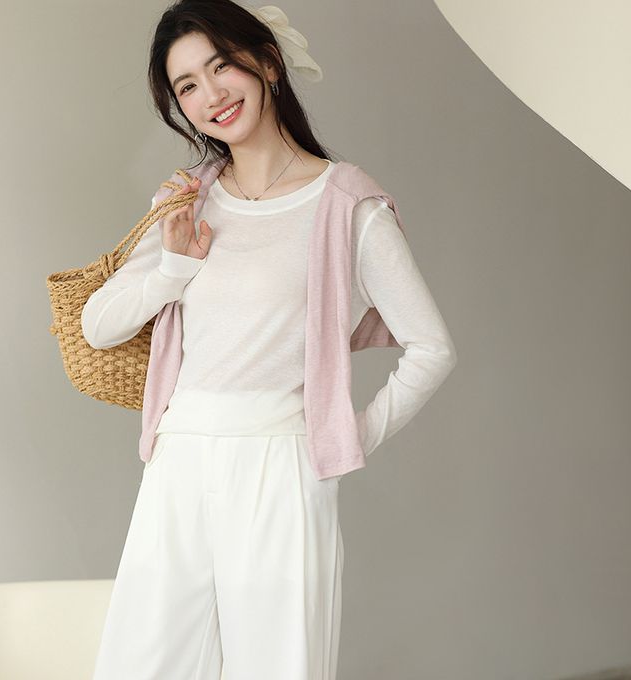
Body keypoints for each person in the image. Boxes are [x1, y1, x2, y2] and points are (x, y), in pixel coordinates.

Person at [83, 1, 457, 678]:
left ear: (268, 62)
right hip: (178, 458)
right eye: (187, 85)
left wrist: (342, 435)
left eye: (221, 66)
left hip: (280, 465)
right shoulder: (187, 201)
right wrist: (173, 267)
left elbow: (431, 348)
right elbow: (98, 324)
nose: (210, 95)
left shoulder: (348, 207)